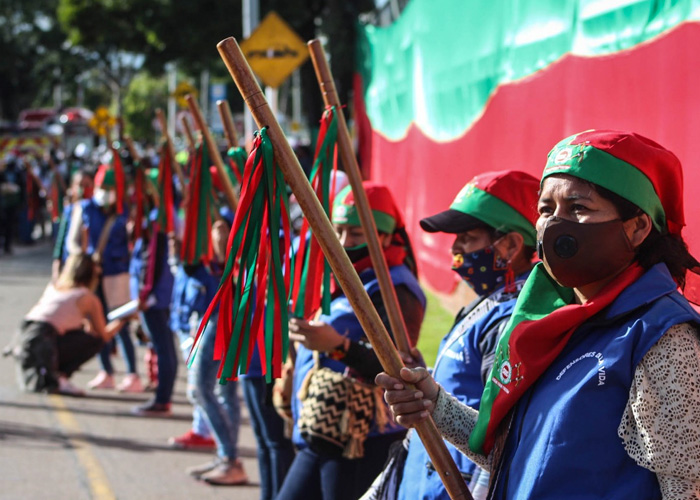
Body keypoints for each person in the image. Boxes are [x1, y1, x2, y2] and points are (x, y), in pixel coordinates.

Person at [377, 130, 700, 499]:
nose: (554, 224)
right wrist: (434, 403)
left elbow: (686, 487)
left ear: (638, 226)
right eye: (546, 209)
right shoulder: (547, 324)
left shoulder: (662, 337)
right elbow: (517, 458)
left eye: (579, 208)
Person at [363, 170, 539, 500]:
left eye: (468, 239)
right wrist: (425, 374)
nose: (455, 251)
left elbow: (502, 432)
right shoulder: (487, 303)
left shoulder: (514, 319)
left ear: (512, 245)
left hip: (454, 487)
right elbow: (465, 387)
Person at [275, 182, 426, 500]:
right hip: (321, 426)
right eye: (339, 230)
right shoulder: (346, 276)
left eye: (356, 234)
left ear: (383, 236)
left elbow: (399, 369)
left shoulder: (397, 288)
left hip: (361, 436)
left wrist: (338, 347)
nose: (345, 242)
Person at [184, 210, 249, 486]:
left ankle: (229, 458)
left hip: (225, 317)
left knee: (202, 388)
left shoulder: (237, 229)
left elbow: (233, 277)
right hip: (216, 316)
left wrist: (224, 251)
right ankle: (227, 457)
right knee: (225, 391)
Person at [66, 163, 142, 392]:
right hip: (92, 276)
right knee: (95, 325)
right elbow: (72, 241)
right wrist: (83, 258)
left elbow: (134, 243)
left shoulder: (124, 211)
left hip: (117, 275)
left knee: (121, 324)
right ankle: (106, 371)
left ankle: (132, 375)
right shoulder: (84, 208)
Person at [15, 253, 128, 396]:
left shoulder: (55, 286)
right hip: (44, 340)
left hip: (26, 337)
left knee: (83, 335)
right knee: (96, 341)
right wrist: (123, 319)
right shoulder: (87, 298)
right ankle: (60, 376)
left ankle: (54, 374)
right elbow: (103, 335)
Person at [129, 177, 176, 416]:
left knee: (163, 347)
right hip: (163, 294)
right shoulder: (164, 215)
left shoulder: (160, 218)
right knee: (164, 346)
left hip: (156, 296)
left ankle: (162, 399)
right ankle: (162, 396)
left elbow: (153, 260)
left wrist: (145, 294)